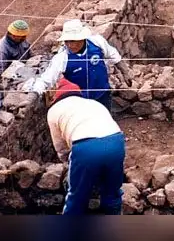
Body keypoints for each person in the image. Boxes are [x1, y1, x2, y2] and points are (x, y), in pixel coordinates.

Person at [46, 78, 126, 215]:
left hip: (86, 147)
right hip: (116, 142)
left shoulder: (54, 111)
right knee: (112, 192)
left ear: (56, 96)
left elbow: (60, 147)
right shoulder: (93, 103)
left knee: (76, 197)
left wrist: (69, 165)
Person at [31, 19, 131, 112]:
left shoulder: (97, 43)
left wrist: (125, 73)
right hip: (79, 101)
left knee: (105, 119)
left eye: (73, 41)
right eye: (67, 41)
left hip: (102, 93)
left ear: (82, 38)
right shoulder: (62, 58)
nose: (70, 45)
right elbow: (46, 79)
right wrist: (35, 93)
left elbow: (114, 55)